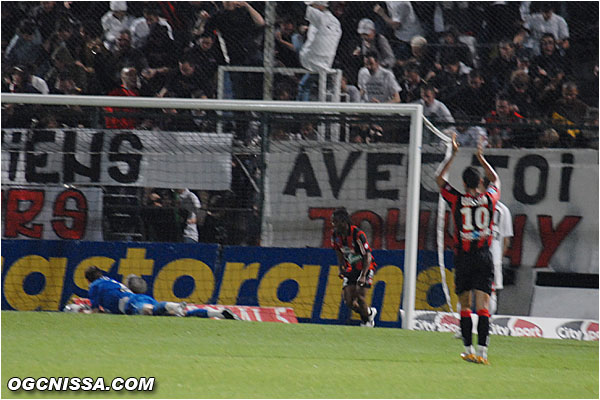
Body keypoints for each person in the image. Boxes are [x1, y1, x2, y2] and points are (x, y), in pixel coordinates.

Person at [436, 135, 500, 365]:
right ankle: (483, 353)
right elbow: (496, 179)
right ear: (480, 183)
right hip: (484, 256)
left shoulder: (457, 199)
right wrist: (482, 158)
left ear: (464, 184)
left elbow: (439, 179)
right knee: (483, 306)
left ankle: (468, 349)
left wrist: (452, 155)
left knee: (465, 305)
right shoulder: (490, 199)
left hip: (463, 257)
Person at [84, 266, 239, 319]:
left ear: (89, 280)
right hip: (139, 297)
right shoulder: (109, 281)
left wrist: (82, 312)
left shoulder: (94, 286)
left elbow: (96, 311)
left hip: (131, 303)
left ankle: (174, 306)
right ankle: (219, 314)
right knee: (183, 315)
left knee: (147, 311)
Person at [331, 208, 377, 327]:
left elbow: (367, 255)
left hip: (365, 268)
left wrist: (363, 275)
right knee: (349, 301)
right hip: (351, 268)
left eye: (335, 222)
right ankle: (369, 313)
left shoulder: (358, 234)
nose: (333, 224)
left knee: (360, 297)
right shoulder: (335, 235)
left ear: (343, 221)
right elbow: (339, 251)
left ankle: (367, 322)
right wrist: (341, 267)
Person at [296, 1, 342, 101]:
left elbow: (300, 8)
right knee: (305, 86)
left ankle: (302, 113)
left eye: (312, 5)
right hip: (325, 63)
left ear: (320, 6)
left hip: (313, 63)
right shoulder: (334, 22)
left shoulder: (322, 18)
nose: (311, 7)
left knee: (305, 87)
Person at [484, 178, 513, 315]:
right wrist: (499, 258)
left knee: (467, 290)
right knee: (491, 291)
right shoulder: (503, 210)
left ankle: (462, 325)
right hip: (493, 256)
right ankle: (487, 322)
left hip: (474, 253)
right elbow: (506, 240)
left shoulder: (473, 205)